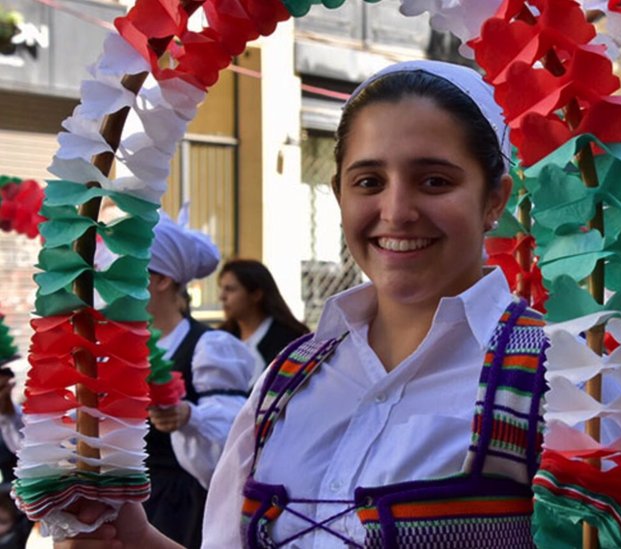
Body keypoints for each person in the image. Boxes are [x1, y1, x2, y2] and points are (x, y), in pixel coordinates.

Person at [55, 59, 550, 549]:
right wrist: (138, 539)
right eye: (369, 182)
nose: (397, 212)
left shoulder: (557, 379)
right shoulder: (287, 379)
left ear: (493, 200)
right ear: (339, 195)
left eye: (435, 181)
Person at [140, 215, 256, 548]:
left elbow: (235, 437)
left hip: (178, 510)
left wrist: (189, 417)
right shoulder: (117, 347)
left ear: (161, 280)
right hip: (127, 504)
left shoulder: (209, 347)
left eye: (126, 272)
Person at [217, 259, 309, 378]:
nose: (222, 297)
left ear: (256, 294)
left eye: (230, 289)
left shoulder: (288, 338)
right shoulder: (221, 337)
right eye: (222, 288)